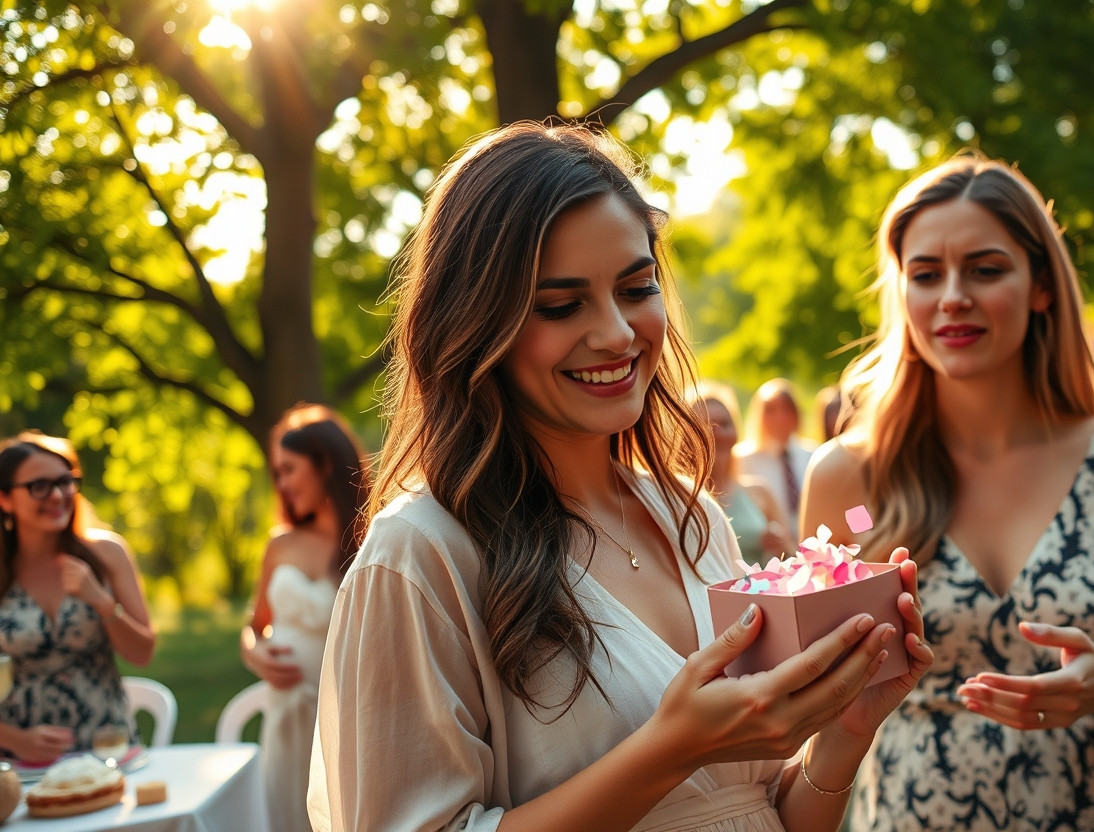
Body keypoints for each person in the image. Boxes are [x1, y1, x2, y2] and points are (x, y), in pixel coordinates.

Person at [307, 122, 932, 832]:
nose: (615, 333)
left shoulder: (691, 518)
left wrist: (843, 734)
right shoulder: (422, 556)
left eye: (636, 288)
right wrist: (670, 750)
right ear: (477, 322)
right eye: (560, 304)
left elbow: (751, 813)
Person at [802, 156, 1094, 831]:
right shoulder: (849, 481)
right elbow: (815, 718)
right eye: (926, 274)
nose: (953, 296)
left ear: (1042, 288)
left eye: (986, 269)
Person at [241, 405, 368, 832]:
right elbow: (254, 627)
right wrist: (256, 655)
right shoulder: (280, 546)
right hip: (285, 717)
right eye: (277, 472)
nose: (282, 484)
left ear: (326, 464)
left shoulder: (370, 539)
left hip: (347, 719)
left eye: (289, 469)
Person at [0, 432, 154, 762]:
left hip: (107, 743)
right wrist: (16, 740)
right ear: (5, 499)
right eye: (38, 486)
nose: (57, 495)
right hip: (21, 758)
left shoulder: (106, 554)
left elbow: (143, 653)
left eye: (65, 482)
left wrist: (101, 602)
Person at [690, 383, 795, 564]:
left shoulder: (760, 491)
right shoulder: (679, 499)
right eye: (706, 425)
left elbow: (793, 557)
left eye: (725, 424)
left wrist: (782, 546)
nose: (718, 433)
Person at [734, 379, 817, 526]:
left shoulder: (813, 454)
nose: (780, 417)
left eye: (787, 409)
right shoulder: (742, 460)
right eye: (771, 410)